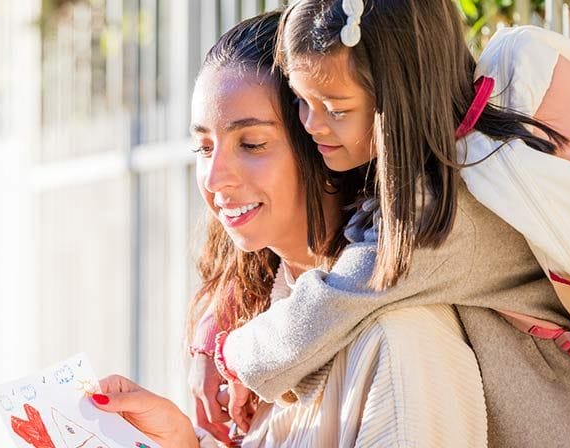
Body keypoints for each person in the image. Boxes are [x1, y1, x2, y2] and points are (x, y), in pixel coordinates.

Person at [201, 0, 570, 446]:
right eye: (301, 102)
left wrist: (231, 356)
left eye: (335, 109)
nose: (310, 125)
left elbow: (331, 302)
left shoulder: (451, 209)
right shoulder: (469, 157)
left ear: (399, 97)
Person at [93, 10, 487, 447]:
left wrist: (228, 354)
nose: (213, 177)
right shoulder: (265, 317)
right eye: (203, 146)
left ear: (327, 146)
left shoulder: (398, 343)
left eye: (252, 144)